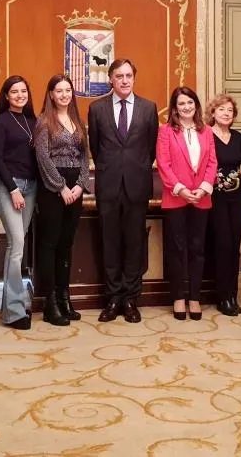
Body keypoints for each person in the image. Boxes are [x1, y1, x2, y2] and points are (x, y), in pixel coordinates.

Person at [87, 58, 159, 323]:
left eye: (129, 75)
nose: (125, 80)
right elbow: (95, 147)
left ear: (134, 78)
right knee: (110, 243)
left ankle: (131, 299)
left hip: (137, 187)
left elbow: (150, 149)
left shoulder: (148, 108)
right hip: (108, 187)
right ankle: (113, 298)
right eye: (119, 76)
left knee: (134, 244)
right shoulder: (96, 109)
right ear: (111, 79)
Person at [34, 75, 91, 326]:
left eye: (68, 90)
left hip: (75, 189)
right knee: (49, 244)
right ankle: (50, 302)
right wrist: (61, 187)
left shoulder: (78, 120)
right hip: (52, 189)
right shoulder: (44, 121)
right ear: (51, 94)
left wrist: (80, 185)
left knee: (66, 244)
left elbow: (84, 155)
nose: (65, 95)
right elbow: (43, 158)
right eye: (59, 91)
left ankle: (65, 297)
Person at [157, 87, 217, 321]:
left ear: (196, 105)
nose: (186, 107)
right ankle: (178, 297)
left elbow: (212, 162)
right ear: (174, 108)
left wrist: (203, 188)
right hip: (176, 198)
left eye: (190, 102)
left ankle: (194, 297)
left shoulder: (207, 132)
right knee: (176, 250)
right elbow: (164, 164)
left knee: (197, 250)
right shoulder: (165, 132)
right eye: (181, 103)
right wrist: (181, 189)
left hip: (201, 198)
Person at [0, 75, 39, 330]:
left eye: (23, 91)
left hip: (31, 187)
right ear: (6, 96)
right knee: (18, 243)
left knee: (16, 244)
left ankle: (10, 306)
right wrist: (13, 189)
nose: (20, 95)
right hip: (8, 187)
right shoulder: (0, 122)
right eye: (14, 92)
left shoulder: (34, 121)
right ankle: (14, 312)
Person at [205, 94, 241, 317]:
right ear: (213, 113)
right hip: (215, 197)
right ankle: (222, 296)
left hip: (238, 197)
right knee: (222, 245)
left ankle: (233, 293)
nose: (225, 113)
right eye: (221, 109)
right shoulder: (204, 135)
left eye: (230, 111)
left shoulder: (240, 138)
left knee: (234, 246)